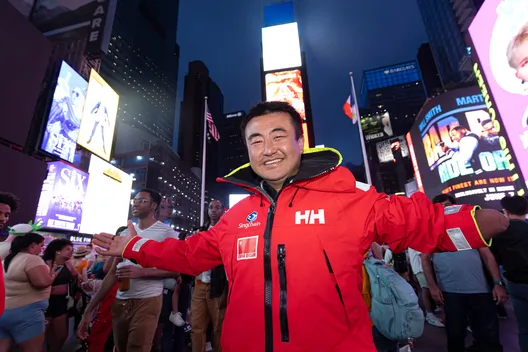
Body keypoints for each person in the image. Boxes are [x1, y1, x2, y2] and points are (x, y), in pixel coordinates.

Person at [93, 101, 508, 352]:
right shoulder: (238, 216)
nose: (267, 148)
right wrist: (129, 247)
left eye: (278, 136)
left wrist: (479, 223)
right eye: (256, 140)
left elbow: (421, 222)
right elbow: (188, 254)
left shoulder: (348, 196)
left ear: (299, 143)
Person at [78, 189, 180, 352]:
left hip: (148, 300)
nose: (136, 204)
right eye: (135, 200)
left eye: (141, 201)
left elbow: (176, 270)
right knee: (120, 347)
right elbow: (111, 273)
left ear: (153, 205)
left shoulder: (167, 233)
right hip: (120, 300)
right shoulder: (125, 233)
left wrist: (142, 272)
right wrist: (90, 309)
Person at [422, 194, 507, 352]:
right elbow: (425, 259)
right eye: (441, 207)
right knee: (455, 336)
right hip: (450, 292)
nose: (446, 209)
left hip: (480, 290)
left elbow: (487, 256)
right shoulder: (431, 229)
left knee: (489, 338)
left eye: (448, 204)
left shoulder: (470, 224)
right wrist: (433, 287)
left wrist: (497, 283)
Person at [0, 233, 57, 351]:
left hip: (5, 310)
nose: (42, 249)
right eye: (41, 246)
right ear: (32, 245)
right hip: (26, 314)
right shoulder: (31, 259)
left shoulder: (7, 259)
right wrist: (53, 275)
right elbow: (41, 282)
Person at [189, 199, 228, 352]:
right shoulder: (201, 230)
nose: (213, 210)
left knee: (219, 328)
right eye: (211, 207)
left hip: (217, 285)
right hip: (199, 283)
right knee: (196, 326)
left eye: (217, 207)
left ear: (223, 210)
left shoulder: (227, 231)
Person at [491, 195, 528, 352]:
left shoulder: (497, 234)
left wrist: (497, 283)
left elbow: (493, 259)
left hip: (513, 283)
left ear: (505, 211)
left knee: (524, 328)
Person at [84, 226, 126, 352]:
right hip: (111, 292)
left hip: (125, 294)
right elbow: (108, 270)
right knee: (103, 330)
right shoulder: (113, 254)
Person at [42, 238, 78, 352]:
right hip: (46, 304)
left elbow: (79, 279)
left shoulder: (68, 265)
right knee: (41, 337)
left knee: (61, 336)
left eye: (72, 249)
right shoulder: (45, 263)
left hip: (62, 303)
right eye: (67, 249)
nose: (71, 251)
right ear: (57, 251)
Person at [407, 248, 444, 328]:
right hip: (422, 269)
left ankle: (430, 312)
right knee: (426, 290)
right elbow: (423, 256)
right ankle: (429, 314)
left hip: (419, 269)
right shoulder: (417, 240)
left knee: (424, 290)